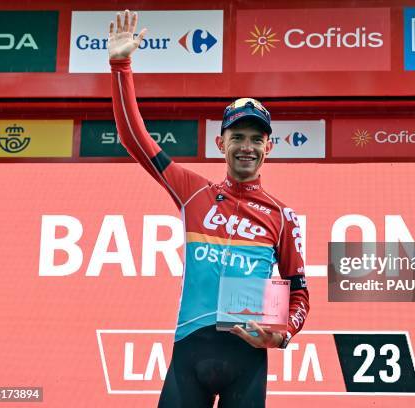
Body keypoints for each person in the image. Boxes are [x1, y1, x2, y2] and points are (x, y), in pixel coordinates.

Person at [108, 10, 309, 408]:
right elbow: (135, 140)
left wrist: (282, 333)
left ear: (269, 147)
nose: (246, 146)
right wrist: (120, 65)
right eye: (237, 136)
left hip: (248, 359)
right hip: (190, 353)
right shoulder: (192, 192)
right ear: (221, 144)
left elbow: (300, 292)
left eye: (256, 138)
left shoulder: (282, 217)